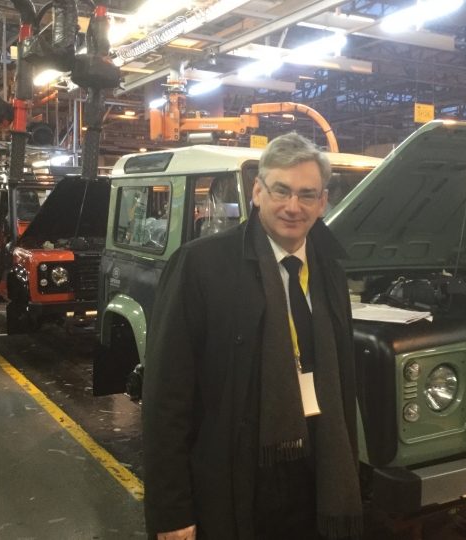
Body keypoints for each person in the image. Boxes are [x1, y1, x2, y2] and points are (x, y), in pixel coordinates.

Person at [142, 133, 362, 540]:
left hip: (315, 466)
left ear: (322, 202)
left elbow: (342, 381)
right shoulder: (201, 266)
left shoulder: (330, 268)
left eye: (306, 195)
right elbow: (165, 400)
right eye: (282, 190)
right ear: (258, 191)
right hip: (238, 476)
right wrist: (171, 511)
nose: (293, 207)